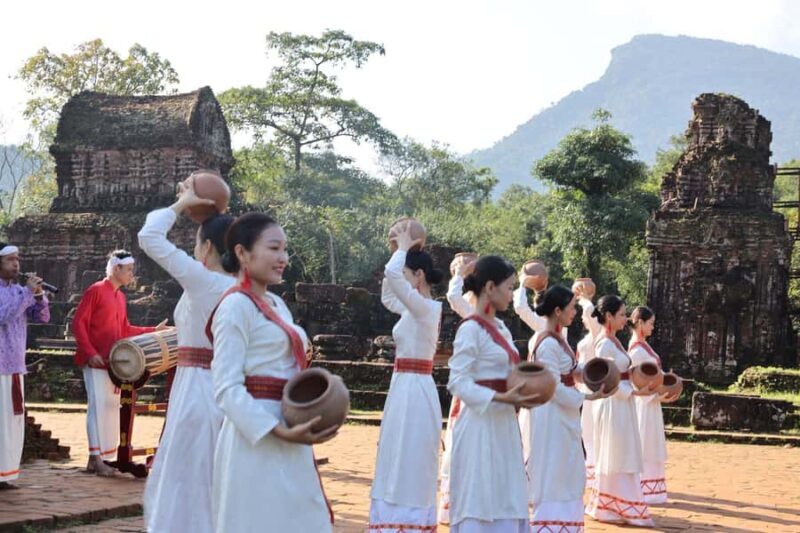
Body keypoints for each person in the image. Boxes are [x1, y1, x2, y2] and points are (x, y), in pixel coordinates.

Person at [209, 212, 336, 532]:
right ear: (242, 253)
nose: (283, 258)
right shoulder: (235, 306)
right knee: (260, 517)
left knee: (301, 517)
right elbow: (226, 387)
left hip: (290, 423)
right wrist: (274, 430)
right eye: (274, 248)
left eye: (285, 250)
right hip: (256, 434)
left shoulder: (279, 305)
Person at [139, 180, 235, 532]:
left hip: (197, 389)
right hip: (228, 386)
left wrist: (181, 204)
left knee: (188, 480)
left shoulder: (204, 280)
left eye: (197, 242)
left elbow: (149, 238)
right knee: (215, 478)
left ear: (207, 247)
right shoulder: (244, 287)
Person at [447, 255, 537, 533]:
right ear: (489, 287)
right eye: (509, 288)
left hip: (504, 424)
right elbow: (457, 382)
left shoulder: (501, 328)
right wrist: (499, 398)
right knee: (481, 495)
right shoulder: (470, 329)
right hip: (479, 425)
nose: (511, 294)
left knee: (507, 494)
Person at [368, 222, 444, 532]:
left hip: (415, 388)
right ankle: (394, 518)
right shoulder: (413, 307)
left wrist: (401, 249)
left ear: (419, 276)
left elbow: (391, 278)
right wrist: (398, 252)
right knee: (396, 451)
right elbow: (389, 293)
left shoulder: (426, 308)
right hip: (404, 386)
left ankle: (408, 520)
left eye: (408, 273)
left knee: (410, 453)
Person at [521, 285, 612, 532]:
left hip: (563, 414)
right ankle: (550, 525)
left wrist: (593, 373)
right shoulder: (546, 343)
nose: (574, 312)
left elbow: (569, 371)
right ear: (558, 310)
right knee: (555, 469)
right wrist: (587, 398)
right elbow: (551, 385)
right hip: (551, 415)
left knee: (567, 468)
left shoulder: (557, 339)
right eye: (572, 307)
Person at [72, 250, 167, 476]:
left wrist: (154, 331)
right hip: (95, 360)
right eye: (129, 270)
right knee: (98, 406)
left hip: (114, 362)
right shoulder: (95, 290)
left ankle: (102, 457)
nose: (132, 275)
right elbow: (78, 323)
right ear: (116, 269)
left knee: (110, 407)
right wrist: (90, 351)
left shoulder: (120, 297)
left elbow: (124, 329)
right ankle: (97, 459)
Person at [585, 295, 656, 527]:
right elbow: (604, 378)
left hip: (622, 403)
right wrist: (633, 392)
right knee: (614, 451)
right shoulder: (604, 343)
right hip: (612, 403)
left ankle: (617, 503)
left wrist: (637, 380)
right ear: (608, 316)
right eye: (622, 315)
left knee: (623, 450)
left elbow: (624, 373)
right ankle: (610, 505)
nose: (626, 319)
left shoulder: (613, 341)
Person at [0, 243, 49, 489]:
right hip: (0, 367)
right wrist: (27, 294)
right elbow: (4, 315)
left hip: (16, 366)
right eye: (10, 260)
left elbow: (43, 318)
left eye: (17, 259)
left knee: (13, 422)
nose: (16, 264)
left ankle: (6, 474)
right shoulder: (16, 293)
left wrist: (39, 296)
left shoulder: (20, 290)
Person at [438, 256, 477, 524]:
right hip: (471, 394)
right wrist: (460, 274)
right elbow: (453, 296)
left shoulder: (491, 322)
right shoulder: (474, 316)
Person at [628, 306, 672, 504]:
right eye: (650, 323)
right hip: (645, 403)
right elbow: (635, 380)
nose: (653, 327)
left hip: (652, 401)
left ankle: (652, 489)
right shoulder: (636, 349)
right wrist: (654, 396)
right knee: (645, 443)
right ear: (640, 323)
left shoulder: (643, 345)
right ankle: (643, 488)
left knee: (651, 443)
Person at [574, 285, 602, 486]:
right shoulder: (587, 338)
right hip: (581, 386)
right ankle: (589, 468)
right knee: (585, 430)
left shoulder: (596, 334)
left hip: (593, 384)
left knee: (591, 430)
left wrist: (584, 299)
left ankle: (593, 471)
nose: (582, 318)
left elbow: (591, 316)